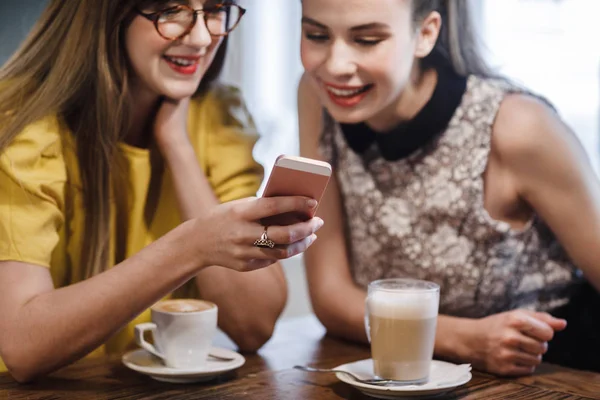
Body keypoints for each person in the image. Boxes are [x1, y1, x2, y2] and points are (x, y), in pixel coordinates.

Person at [0, 0, 324, 382]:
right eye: (171, 10)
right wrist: (192, 247)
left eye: (216, 9)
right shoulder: (24, 121)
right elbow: (22, 346)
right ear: (106, 16)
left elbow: (254, 324)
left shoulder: (217, 115)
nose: (202, 37)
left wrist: (178, 147)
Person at [297, 0, 600, 376]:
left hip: (550, 372)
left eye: (367, 39)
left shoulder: (518, 127)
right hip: (406, 372)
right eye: (316, 35)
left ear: (425, 33)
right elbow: (330, 297)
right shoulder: (319, 96)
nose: (336, 65)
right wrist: (466, 340)